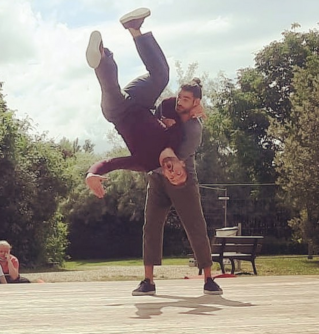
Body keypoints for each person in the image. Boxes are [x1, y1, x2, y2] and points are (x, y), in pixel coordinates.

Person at [85, 8, 222, 296]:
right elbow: (175, 110)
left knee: (109, 87)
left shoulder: (145, 163)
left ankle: (102, 56)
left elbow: (112, 162)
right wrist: (193, 111)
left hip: (120, 111)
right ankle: (135, 29)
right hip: (141, 101)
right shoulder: (175, 138)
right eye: (177, 171)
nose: (171, 171)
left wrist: (92, 173)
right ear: (183, 165)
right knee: (161, 75)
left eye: (170, 174)